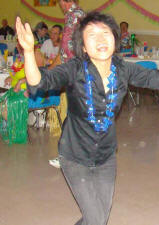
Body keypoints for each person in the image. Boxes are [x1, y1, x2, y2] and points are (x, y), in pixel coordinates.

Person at [16, 11, 159, 225]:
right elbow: (40, 82)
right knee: (96, 219)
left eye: (106, 33)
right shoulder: (75, 69)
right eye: (92, 34)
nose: (101, 39)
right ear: (83, 46)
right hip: (75, 156)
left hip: (106, 157)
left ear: (115, 39)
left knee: (98, 218)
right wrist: (29, 51)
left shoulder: (123, 69)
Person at [48, 0, 85, 168]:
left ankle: (67, 158)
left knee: (73, 119)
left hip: (75, 75)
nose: (60, 5)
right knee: (78, 118)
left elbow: (65, 52)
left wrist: (50, 72)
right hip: (83, 73)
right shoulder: (81, 14)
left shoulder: (72, 17)